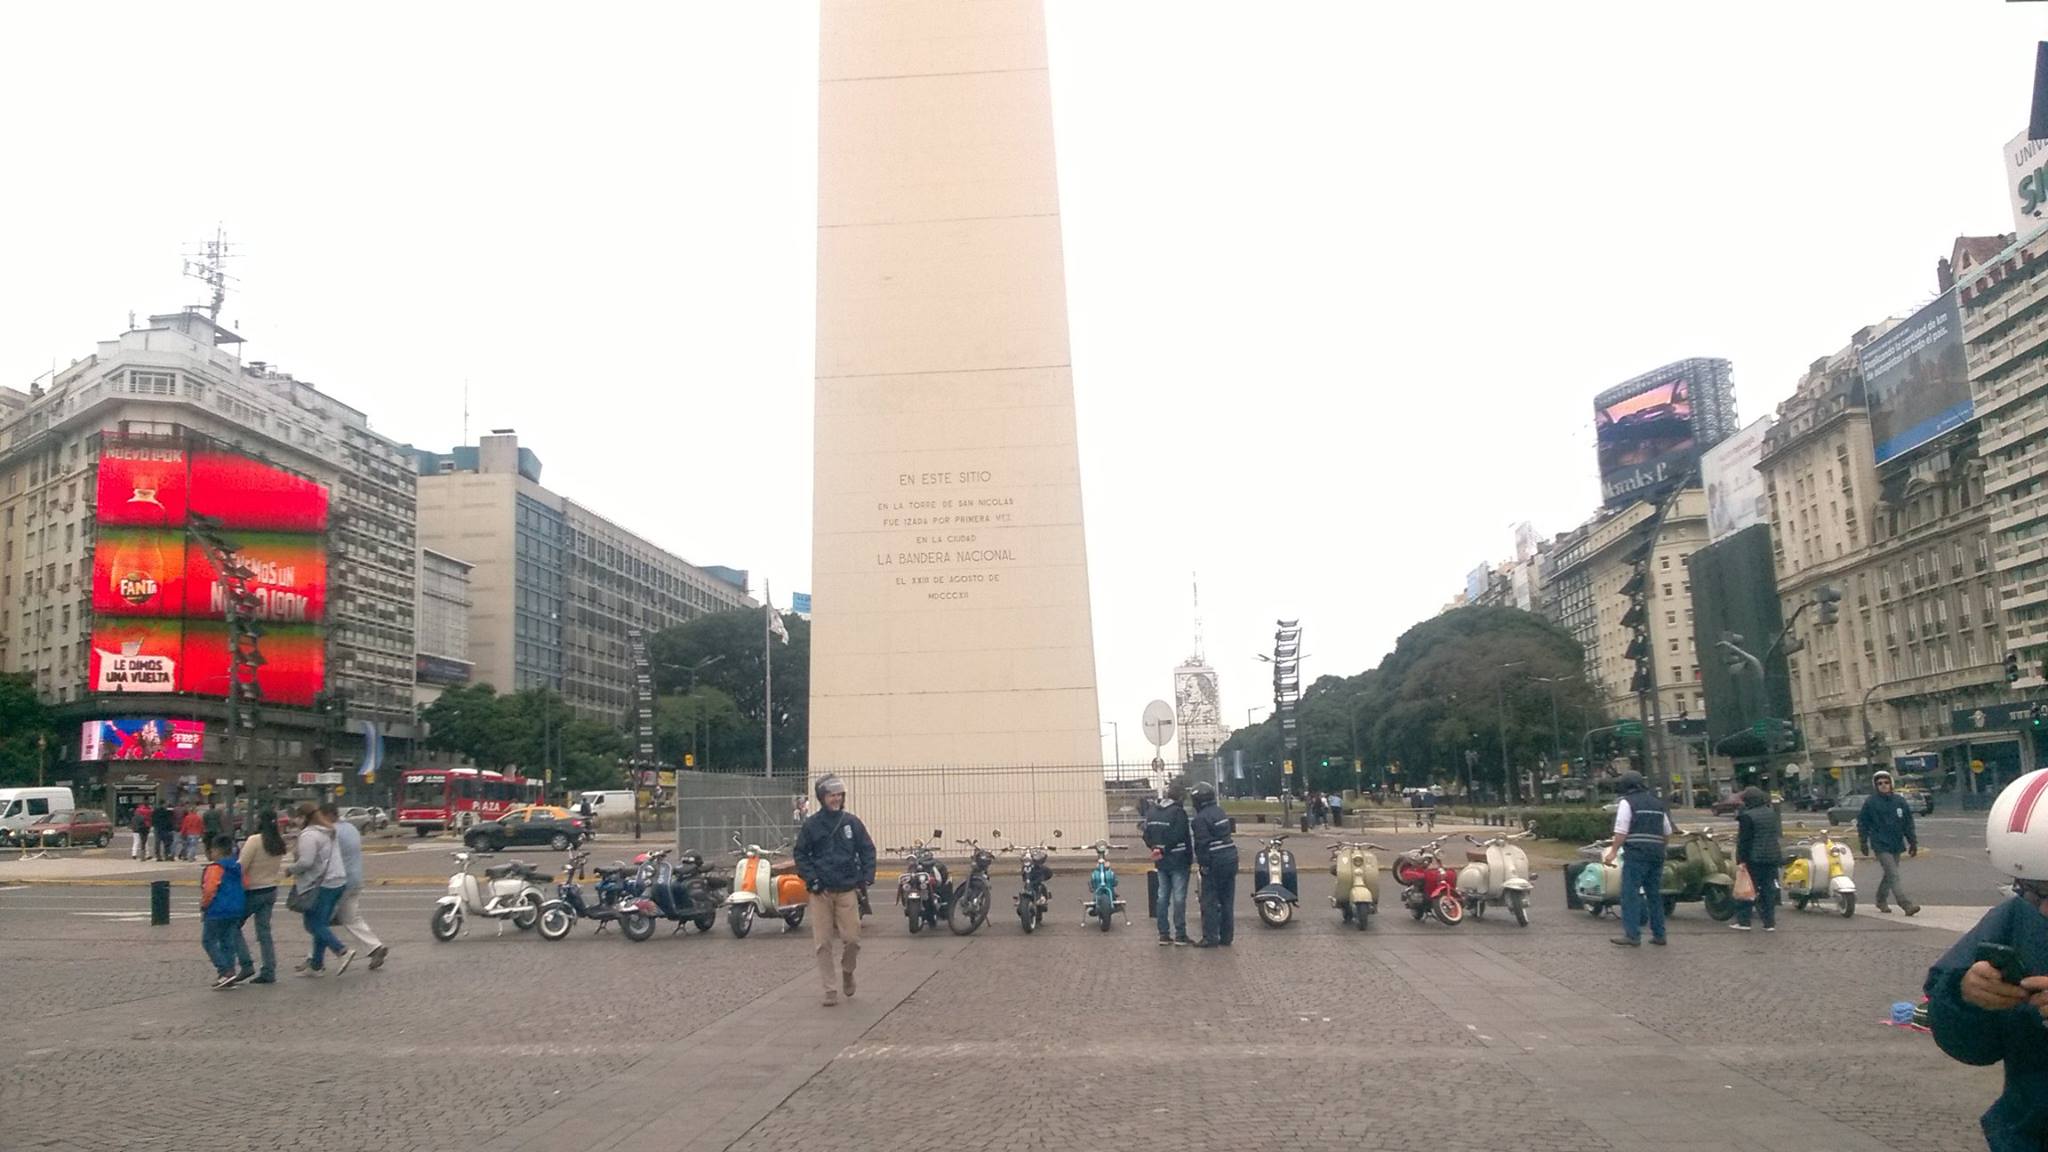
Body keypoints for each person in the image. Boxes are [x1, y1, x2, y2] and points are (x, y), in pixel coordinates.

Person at [1923, 767, 2048, 1151]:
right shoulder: (2016, 917)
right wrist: (1965, 996)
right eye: (2034, 890)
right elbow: (1971, 1046)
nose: (2044, 911)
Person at [792, 774, 875, 1007]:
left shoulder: (851, 823)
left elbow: (867, 849)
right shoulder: (812, 825)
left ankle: (848, 971)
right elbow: (800, 854)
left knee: (852, 940)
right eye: (831, 795)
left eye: (839, 795)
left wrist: (867, 876)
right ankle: (830, 989)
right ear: (822, 798)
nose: (836, 799)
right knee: (823, 943)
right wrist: (812, 880)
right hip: (821, 892)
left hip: (847, 888)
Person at [1604, 771, 1674, 947]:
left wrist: (1613, 851)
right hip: (1656, 854)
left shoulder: (1627, 802)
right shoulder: (1657, 803)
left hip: (1636, 854)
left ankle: (1632, 935)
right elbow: (1667, 832)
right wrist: (1662, 848)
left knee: (1630, 893)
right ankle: (1659, 934)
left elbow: (1621, 831)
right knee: (1654, 894)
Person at [287, 803, 354, 977]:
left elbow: (306, 862)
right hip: (338, 880)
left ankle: (341, 950)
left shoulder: (309, 835)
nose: (295, 821)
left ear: (304, 817)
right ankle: (316, 965)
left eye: (297, 817)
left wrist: (290, 869)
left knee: (313, 924)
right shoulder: (329, 831)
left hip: (321, 884)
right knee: (321, 924)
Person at [321, 801, 388, 970]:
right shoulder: (351, 828)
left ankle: (315, 960)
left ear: (329, 815)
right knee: (350, 918)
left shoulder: (333, 831)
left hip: (340, 882)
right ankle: (375, 947)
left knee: (319, 921)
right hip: (356, 879)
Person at [1858, 769, 1921, 915]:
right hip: (1880, 844)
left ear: (1891, 783)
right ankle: (1906, 904)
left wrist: (1912, 842)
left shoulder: (1899, 801)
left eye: (1886, 782)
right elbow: (1863, 823)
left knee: (1889, 875)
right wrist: (1863, 842)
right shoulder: (1871, 802)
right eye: (1879, 783)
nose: (1883, 785)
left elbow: (1907, 823)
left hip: (1896, 843)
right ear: (1876, 786)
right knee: (1893, 874)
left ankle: (1880, 900)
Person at [236, 808, 288, 984]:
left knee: (234, 926)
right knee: (264, 932)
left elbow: (242, 866)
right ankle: (269, 969)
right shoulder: (278, 841)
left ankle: (246, 964)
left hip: (253, 890)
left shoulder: (254, 840)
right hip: (270, 889)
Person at [1141, 789, 1193, 946]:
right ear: (1180, 798)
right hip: (1179, 859)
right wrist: (1166, 849)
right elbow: (1180, 835)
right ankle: (1180, 934)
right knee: (1179, 898)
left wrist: (1155, 848)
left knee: (1162, 897)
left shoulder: (1152, 812)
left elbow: (1146, 834)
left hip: (1161, 861)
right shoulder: (1179, 813)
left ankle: (1163, 934)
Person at [199, 835, 251, 990]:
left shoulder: (215, 868)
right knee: (227, 942)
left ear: (217, 851)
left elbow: (209, 889)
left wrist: (204, 905)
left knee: (208, 941)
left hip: (217, 910)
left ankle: (224, 971)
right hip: (236, 909)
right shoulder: (237, 867)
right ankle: (231, 972)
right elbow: (245, 884)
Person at [1190, 783, 1238, 948]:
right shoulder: (1220, 812)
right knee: (1227, 900)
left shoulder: (1200, 819)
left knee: (1209, 901)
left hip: (1215, 860)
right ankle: (1227, 936)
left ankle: (1210, 937)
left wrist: (1203, 865)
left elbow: (1202, 844)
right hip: (1231, 857)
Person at [1732, 786, 1782, 932]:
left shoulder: (1747, 816)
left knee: (1747, 889)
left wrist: (1741, 859)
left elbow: (1744, 840)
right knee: (1768, 890)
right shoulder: (1771, 813)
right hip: (1772, 856)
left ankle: (1744, 922)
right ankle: (1769, 923)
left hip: (1754, 858)